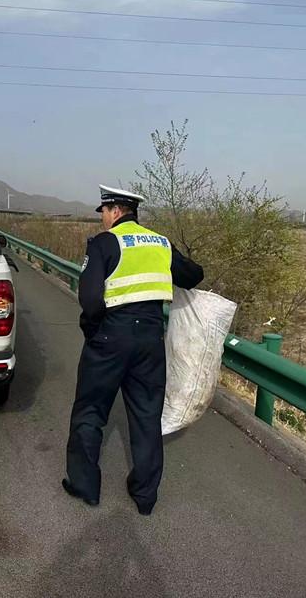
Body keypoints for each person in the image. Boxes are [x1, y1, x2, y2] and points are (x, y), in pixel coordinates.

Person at [63, 185, 204, 516]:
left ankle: (85, 486)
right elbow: (194, 275)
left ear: (114, 211)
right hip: (150, 342)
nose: (102, 219)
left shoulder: (104, 244)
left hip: (110, 339)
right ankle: (145, 496)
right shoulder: (160, 243)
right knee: (145, 417)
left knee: (90, 410)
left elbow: (91, 300)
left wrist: (92, 330)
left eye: (103, 212)